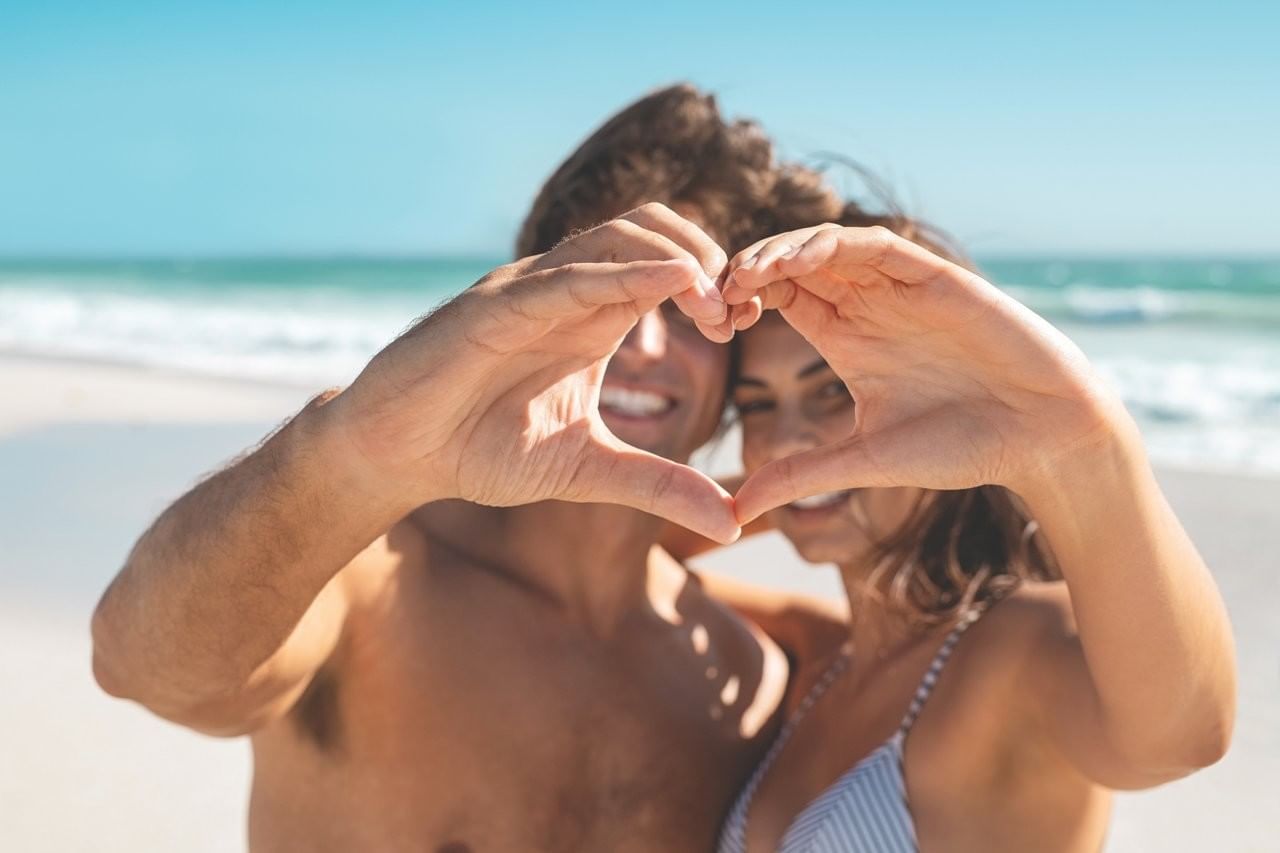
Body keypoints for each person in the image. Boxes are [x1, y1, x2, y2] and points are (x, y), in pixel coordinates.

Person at [90, 84, 849, 852]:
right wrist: (354, 447)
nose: (643, 343)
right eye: (610, 284)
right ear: (535, 296)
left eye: (691, 307)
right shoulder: (373, 583)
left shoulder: (739, 673)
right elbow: (141, 666)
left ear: (738, 361)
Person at [697, 220, 1237, 851]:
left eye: (834, 390)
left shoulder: (1015, 648)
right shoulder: (820, 660)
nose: (787, 435)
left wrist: (1083, 447)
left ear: (942, 405)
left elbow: (1182, 739)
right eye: (758, 404)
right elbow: (629, 566)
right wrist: (787, 481)